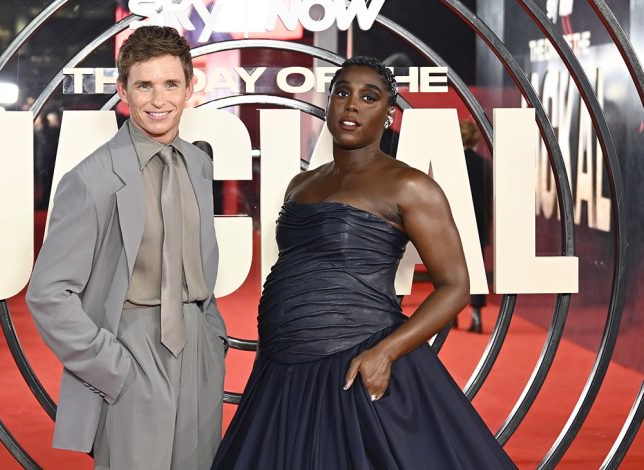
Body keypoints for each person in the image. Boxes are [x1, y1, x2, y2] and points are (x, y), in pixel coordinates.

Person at [211, 57, 514, 469]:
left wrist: (386, 353)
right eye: (342, 93)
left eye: (369, 97)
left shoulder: (410, 186)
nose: (352, 105)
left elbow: (456, 286)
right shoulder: (301, 183)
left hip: (355, 362)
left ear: (389, 114)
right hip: (281, 370)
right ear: (329, 104)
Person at [26, 26, 227, 470]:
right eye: (144, 85)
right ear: (123, 91)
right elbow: (48, 293)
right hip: (132, 348)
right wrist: (110, 365)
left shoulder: (198, 164)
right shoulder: (91, 178)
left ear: (190, 88)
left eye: (171, 84)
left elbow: (198, 264)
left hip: (198, 348)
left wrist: (214, 339)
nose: (159, 100)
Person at [460, 120, 492, 333]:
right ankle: (476, 314)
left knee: (448, 268)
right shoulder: (484, 164)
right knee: (476, 271)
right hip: (478, 224)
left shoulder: (451, 164)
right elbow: (488, 200)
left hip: (454, 224)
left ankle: (449, 316)